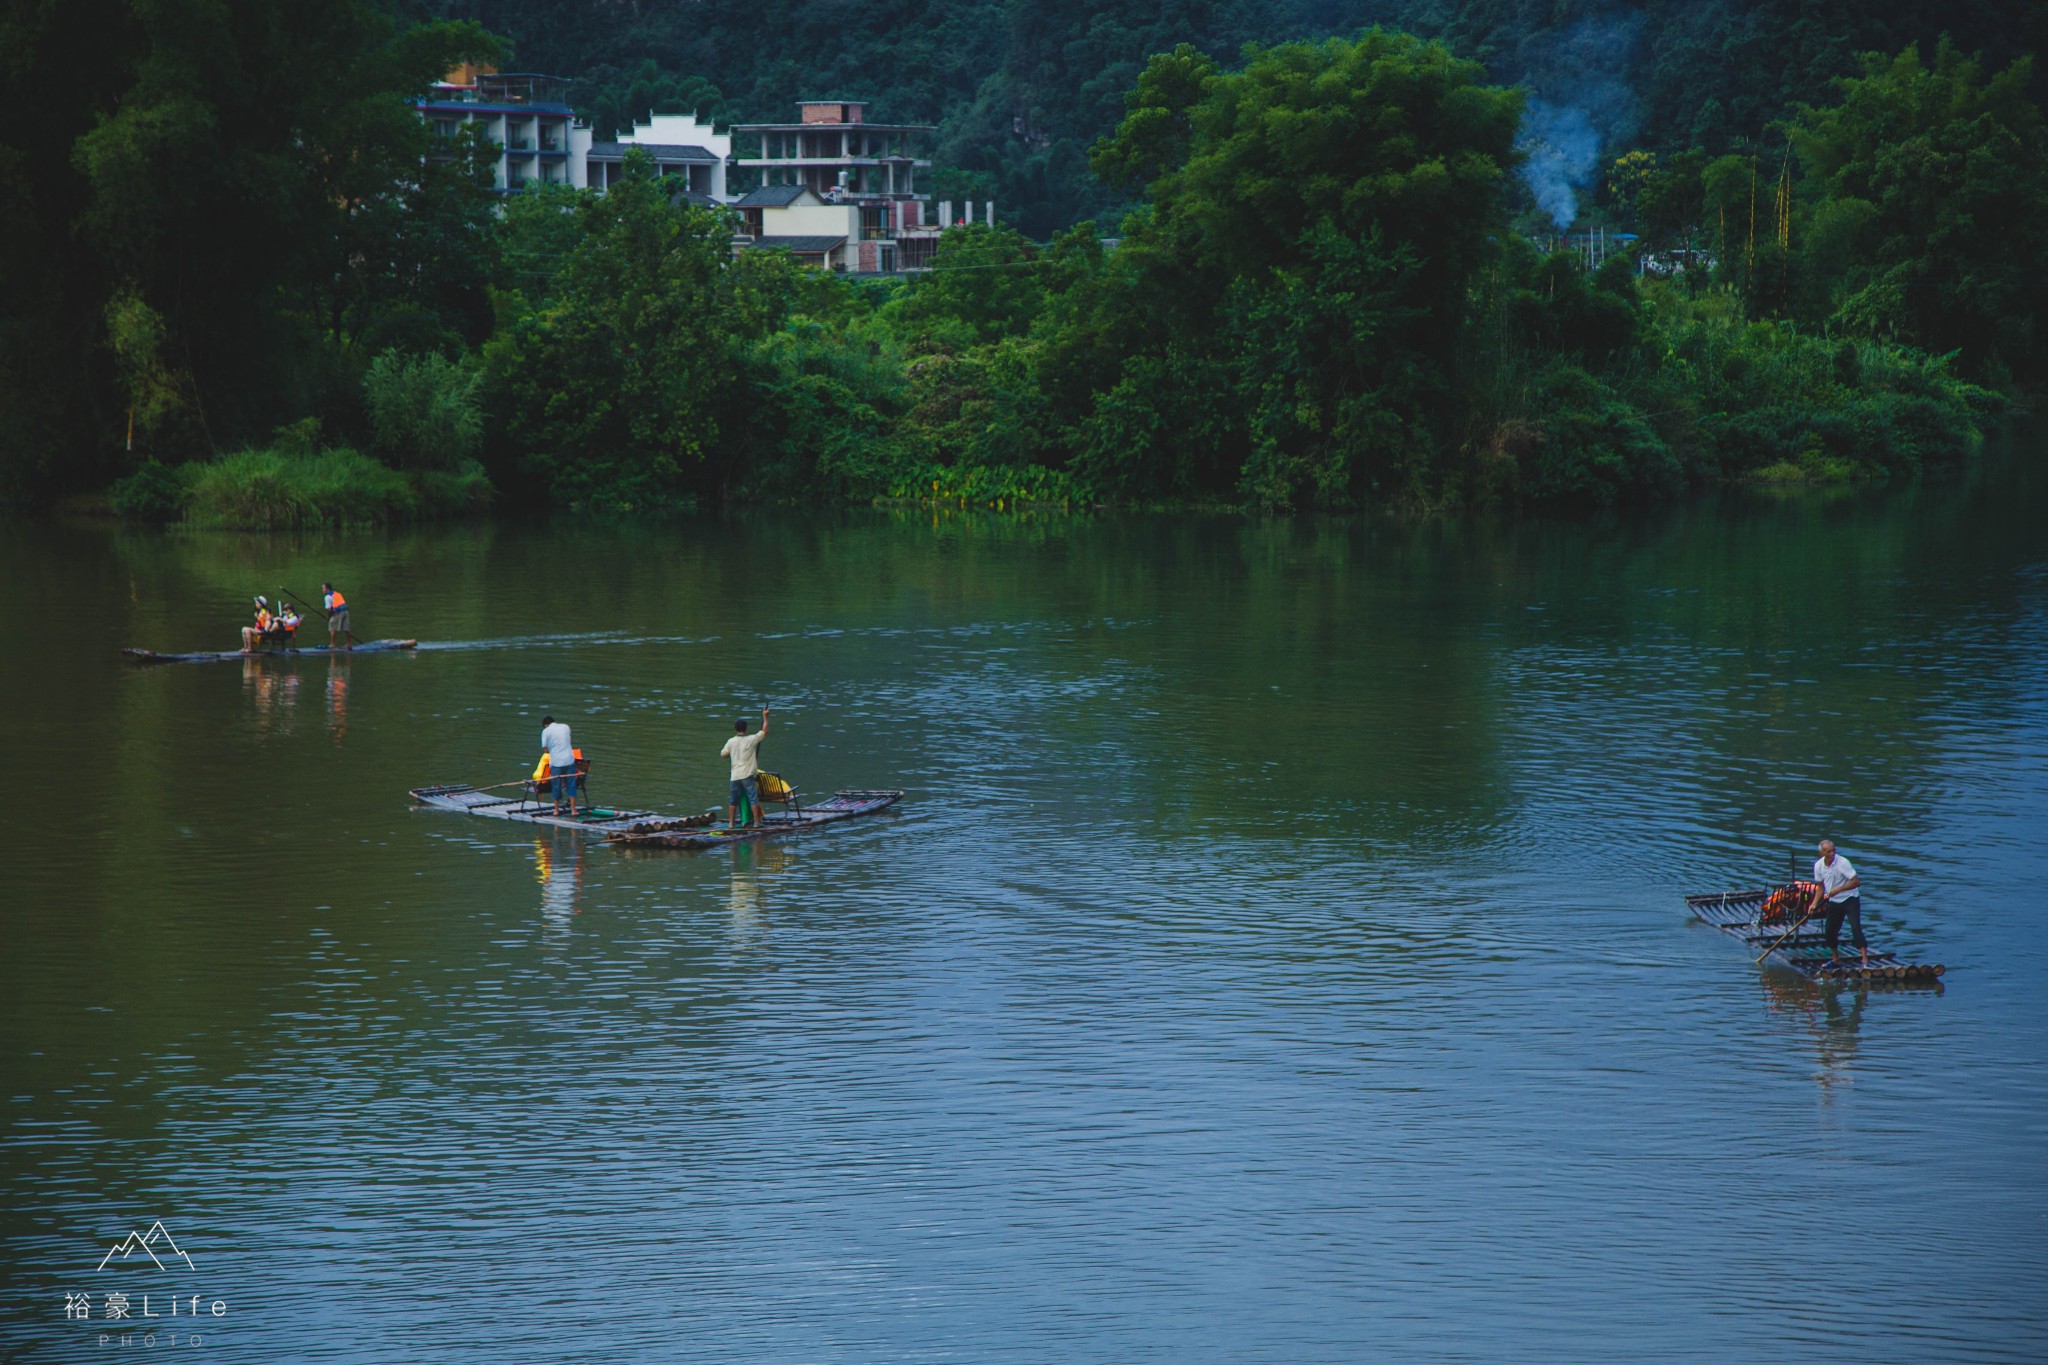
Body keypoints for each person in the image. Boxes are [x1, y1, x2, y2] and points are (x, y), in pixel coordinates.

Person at [1807, 839, 1867, 966]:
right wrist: (1814, 904)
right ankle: (1835, 958)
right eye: (1828, 852)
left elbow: (1856, 882)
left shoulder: (1843, 863)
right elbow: (1820, 887)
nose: (1832, 854)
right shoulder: (1818, 866)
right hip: (1834, 901)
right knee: (1829, 931)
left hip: (1850, 899)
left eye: (1833, 850)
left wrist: (1839, 889)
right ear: (1822, 853)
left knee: (1856, 927)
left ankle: (1864, 959)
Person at [720, 707, 771, 828]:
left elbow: (723, 755)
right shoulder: (751, 740)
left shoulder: (731, 741)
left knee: (733, 801)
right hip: (747, 775)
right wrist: (765, 716)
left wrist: (730, 754)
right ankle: (756, 823)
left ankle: (731, 824)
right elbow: (764, 730)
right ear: (746, 729)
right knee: (753, 798)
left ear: (735, 729)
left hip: (735, 775)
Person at [540, 714, 579, 816]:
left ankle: (556, 810)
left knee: (556, 785)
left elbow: (544, 749)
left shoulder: (545, 731)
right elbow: (567, 741)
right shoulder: (565, 727)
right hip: (570, 760)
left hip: (557, 763)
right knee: (571, 784)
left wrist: (552, 750)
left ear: (545, 725)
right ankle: (573, 810)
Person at [321, 583, 351, 650]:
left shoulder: (327, 597)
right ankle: (349, 644)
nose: (322, 590)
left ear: (327, 588)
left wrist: (328, 618)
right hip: (345, 611)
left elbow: (329, 609)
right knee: (346, 629)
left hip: (338, 612)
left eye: (323, 588)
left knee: (332, 627)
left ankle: (332, 645)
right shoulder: (337, 593)